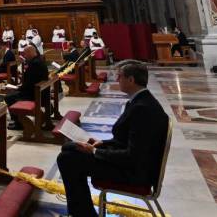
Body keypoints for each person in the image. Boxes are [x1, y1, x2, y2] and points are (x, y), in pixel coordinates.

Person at [56, 60, 169, 217]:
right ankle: (82, 212)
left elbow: (132, 156)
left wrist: (95, 151)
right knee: (69, 148)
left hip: (134, 173)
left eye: (120, 76)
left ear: (131, 80)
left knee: (67, 159)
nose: (117, 80)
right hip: (133, 164)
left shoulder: (142, 109)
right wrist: (102, 143)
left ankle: (81, 214)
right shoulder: (141, 101)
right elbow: (127, 140)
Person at [7, 44, 49, 129]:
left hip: (35, 94)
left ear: (30, 53)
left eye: (25, 54)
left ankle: (19, 123)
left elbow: (29, 84)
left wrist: (18, 88)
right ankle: (18, 121)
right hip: (40, 91)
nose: (24, 56)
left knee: (9, 97)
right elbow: (31, 80)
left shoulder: (35, 64)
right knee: (13, 94)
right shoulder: (39, 60)